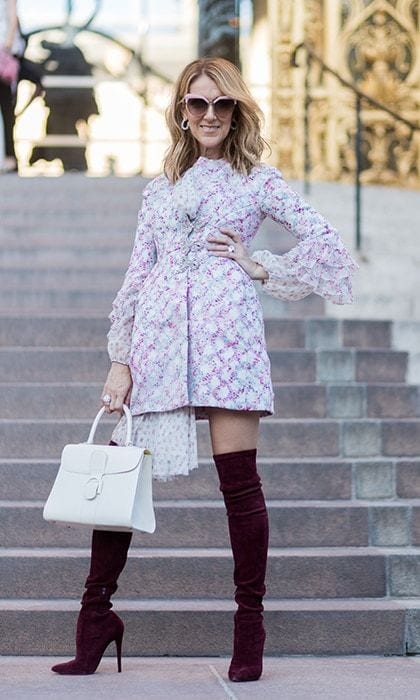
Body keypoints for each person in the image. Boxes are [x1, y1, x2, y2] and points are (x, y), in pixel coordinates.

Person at [51, 57, 357, 681]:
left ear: (237, 111)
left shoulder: (258, 182)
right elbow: (138, 274)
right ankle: (95, 621)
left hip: (228, 338)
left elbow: (328, 244)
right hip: (158, 340)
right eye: (198, 105)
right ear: (182, 114)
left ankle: (250, 629)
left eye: (222, 105)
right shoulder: (158, 190)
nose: (211, 115)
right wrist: (119, 361)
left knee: (240, 488)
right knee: (120, 480)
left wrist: (259, 263)